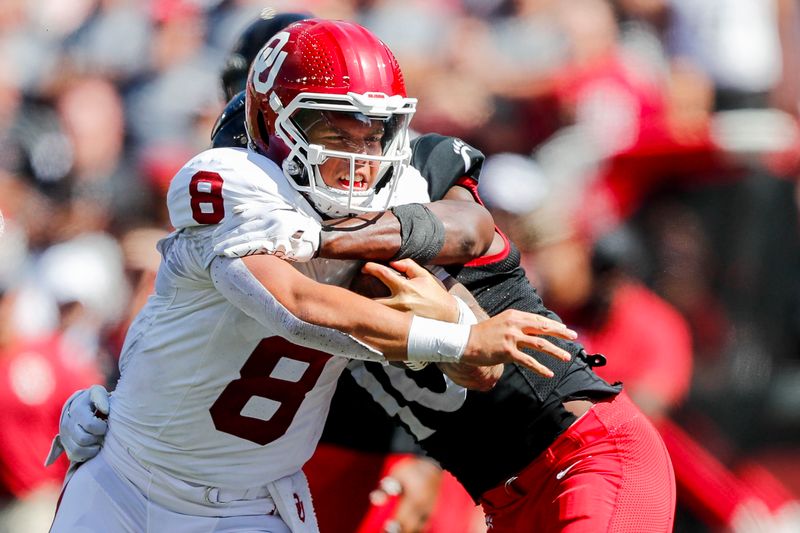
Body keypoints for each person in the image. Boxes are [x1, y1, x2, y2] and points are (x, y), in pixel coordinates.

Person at [48, 19, 574, 533]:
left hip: (249, 506)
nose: (357, 157)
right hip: (125, 479)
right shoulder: (235, 179)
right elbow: (293, 305)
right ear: (270, 126)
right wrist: (455, 339)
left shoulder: (398, 199)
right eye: (331, 130)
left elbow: (477, 366)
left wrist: (460, 328)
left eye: (372, 135)